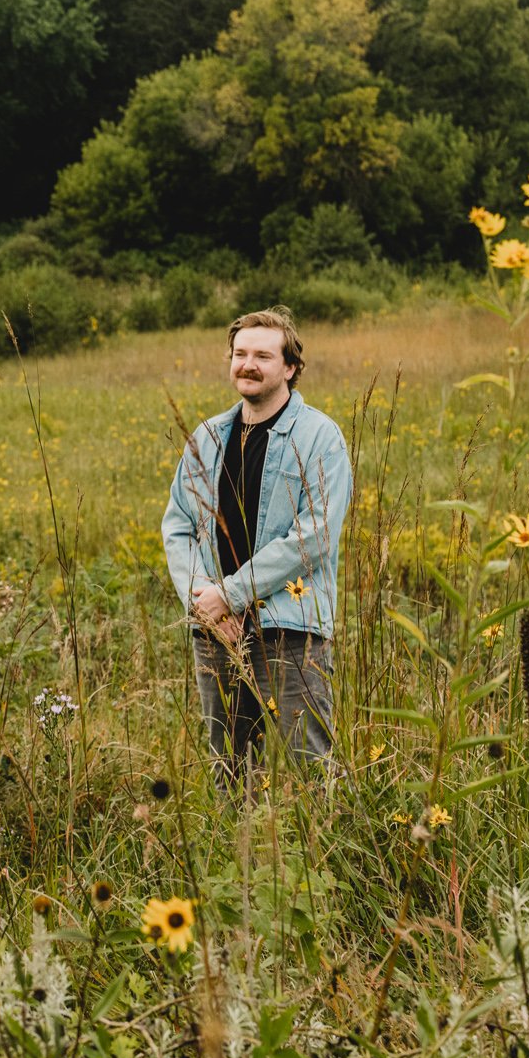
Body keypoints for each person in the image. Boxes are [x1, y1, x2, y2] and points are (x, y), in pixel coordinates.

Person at [161, 307, 352, 776]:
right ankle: (239, 850)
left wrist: (232, 593)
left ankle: (322, 851)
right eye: (240, 353)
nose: (248, 364)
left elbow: (314, 535)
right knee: (230, 767)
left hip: (288, 628)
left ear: (289, 367)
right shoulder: (206, 438)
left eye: (263, 355)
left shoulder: (319, 437)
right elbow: (178, 526)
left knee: (308, 768)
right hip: (215, 632)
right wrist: (204, 601)